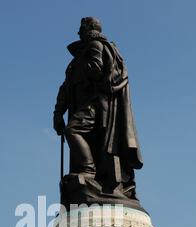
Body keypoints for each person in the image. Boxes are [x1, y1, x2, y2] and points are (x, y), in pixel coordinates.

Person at [53, 17, 143, 198]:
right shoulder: (79, 57)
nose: (78, 32)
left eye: (81, 28)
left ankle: (88, 170)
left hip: (95, 104)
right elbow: (66, 86)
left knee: (73, 130)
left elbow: (96, 70)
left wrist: (83, 60)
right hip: (82, 105)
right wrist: (58, 111)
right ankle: (89, 174)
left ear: (88, 29)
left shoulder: (94, 46)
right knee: (81, 135)